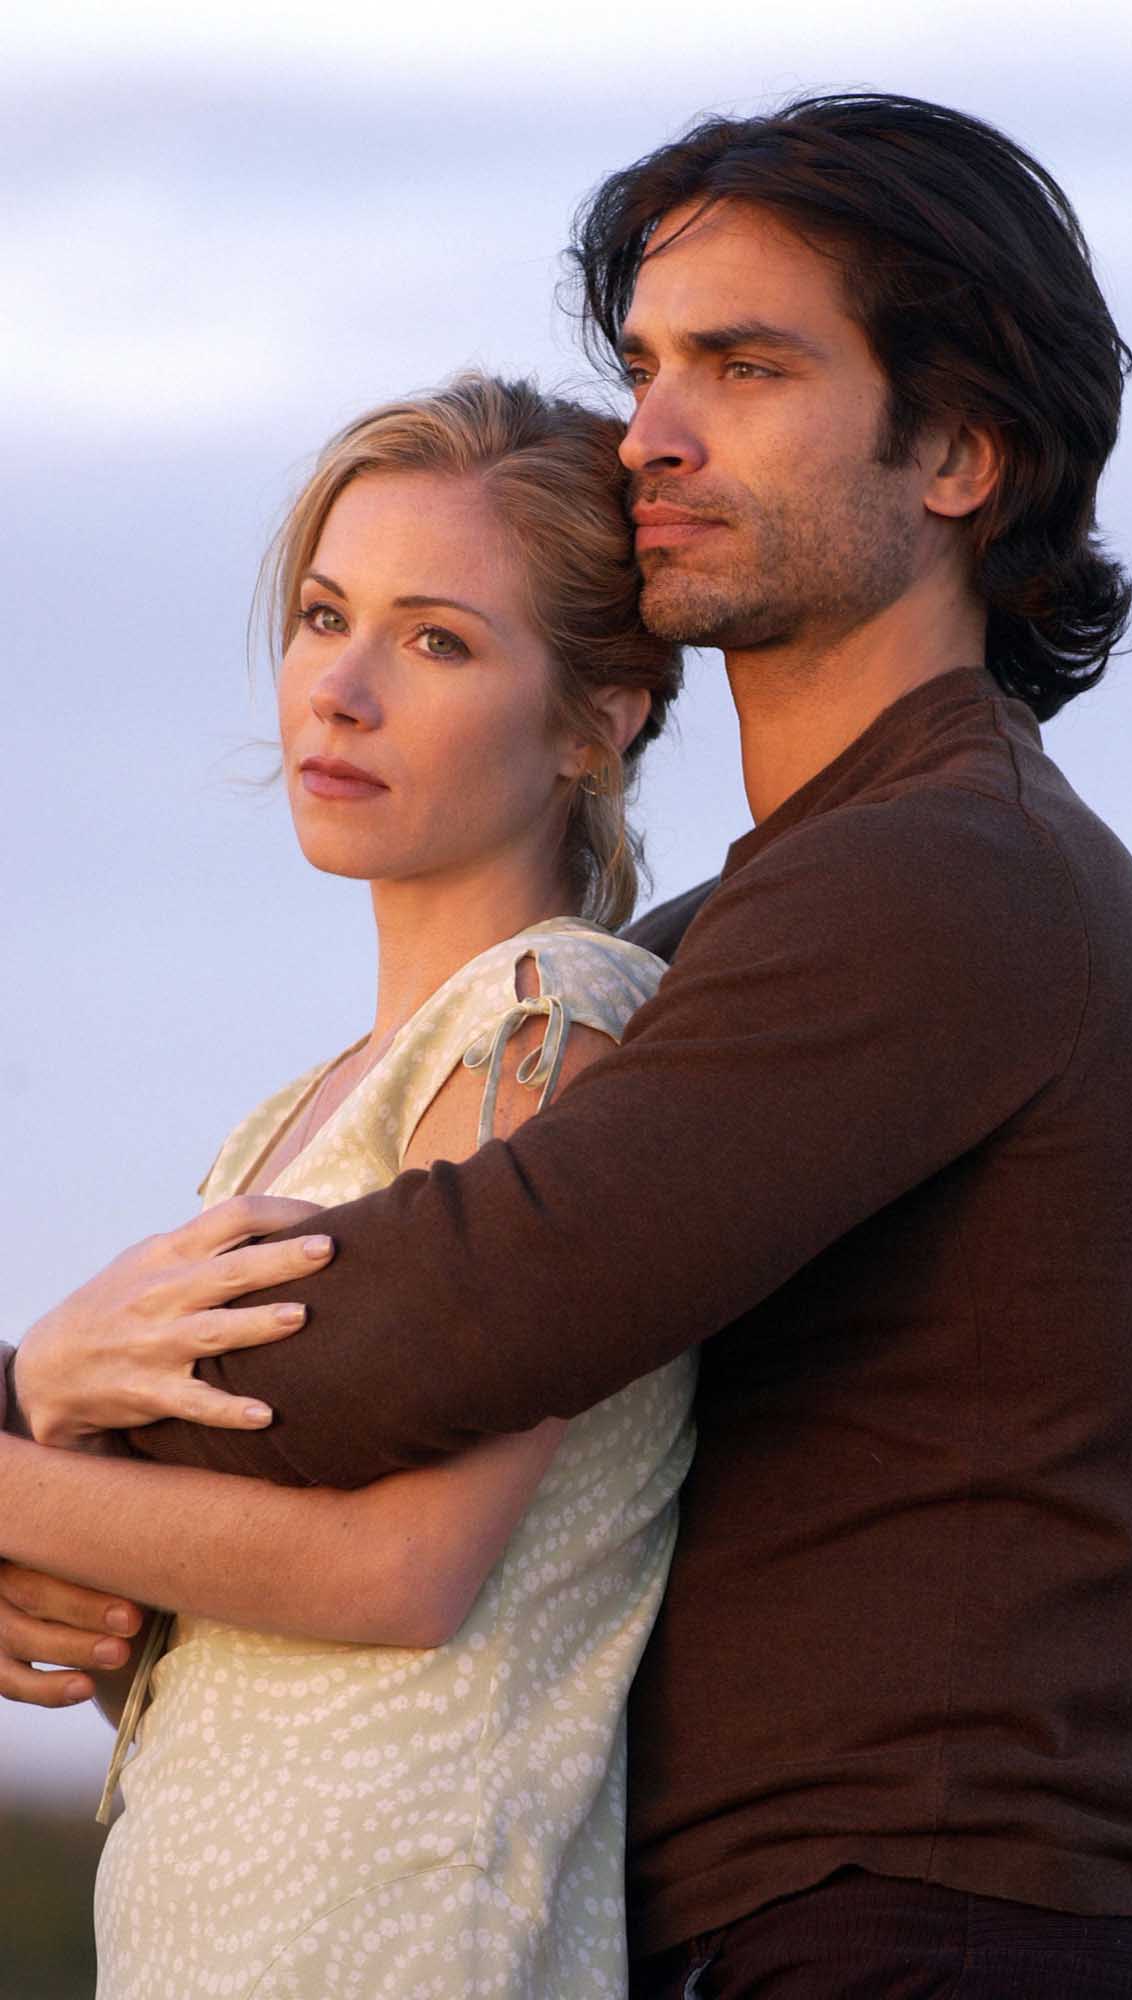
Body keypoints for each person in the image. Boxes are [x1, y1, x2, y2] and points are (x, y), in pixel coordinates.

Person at [3, 93, 1132, 1999]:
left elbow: (468, 1307)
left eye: (744, 367)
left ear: (959, 453)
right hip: (771, 1912)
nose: (651, 431)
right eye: (646, 365)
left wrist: (41, 1417)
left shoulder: (941, 878)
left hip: (930, 1921)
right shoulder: (741, 932)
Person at [0, 375, 696, 1997]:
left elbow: (402, 1572)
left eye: (436, 640)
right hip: (217, 1932)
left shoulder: (548, 1027)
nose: (342, 688)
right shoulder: (287, 1118)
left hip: (411, 1933)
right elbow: (215, 1625)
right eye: (324, 617)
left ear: (597, 718)